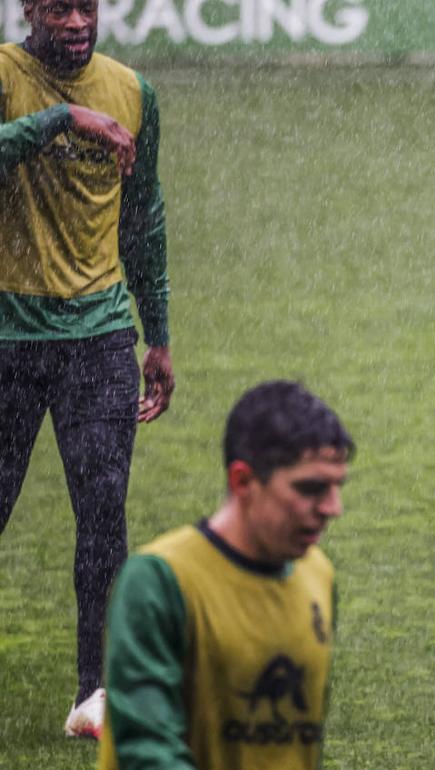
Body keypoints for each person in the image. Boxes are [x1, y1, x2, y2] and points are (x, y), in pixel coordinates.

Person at [0, 0, 174, 738]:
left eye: (88, 6)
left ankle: (96, 693)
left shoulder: (133, 92)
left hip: (100, 338)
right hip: (8, 334)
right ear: (29, 10)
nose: (76, 21)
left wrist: (157, 332)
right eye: (58, 7)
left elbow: (144, 213)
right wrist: (62, 120)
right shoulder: (6, 77)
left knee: (103, 519)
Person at [96, 380, 353, 770]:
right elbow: (146, 752)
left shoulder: (318, 574)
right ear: (243, 481)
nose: (332, 508)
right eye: (311, 488)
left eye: (337, 487)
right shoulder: (160, 581)